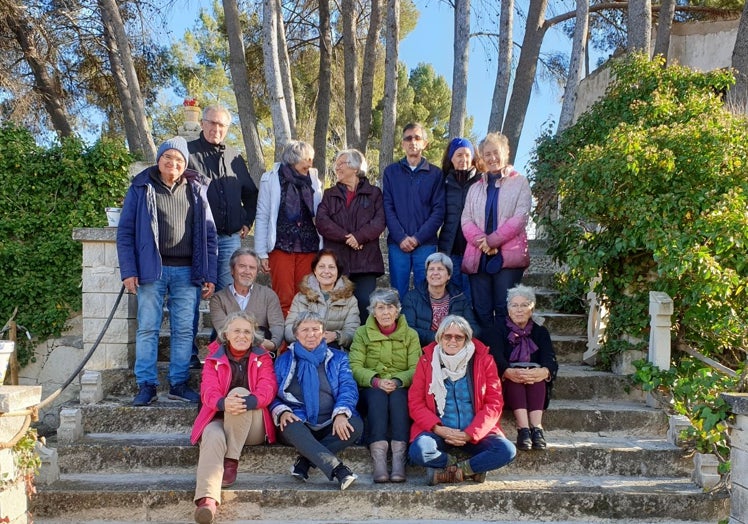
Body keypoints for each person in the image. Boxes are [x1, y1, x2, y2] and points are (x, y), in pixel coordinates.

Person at [117, 136, 217, 406]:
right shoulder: (141, 187)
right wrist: (128, 270)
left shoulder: (196, 189)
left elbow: (209, 234)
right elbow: (125, 233)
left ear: (185, 164)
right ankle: (146, 385)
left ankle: (178, 383)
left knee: (185, 330)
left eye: (179, 159)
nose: (173, 163)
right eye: (168, 158)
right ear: (159, 160)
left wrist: (209, 275)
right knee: (148, 328)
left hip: (187, 272)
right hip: (152, 271)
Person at [188, 105, 259, 368]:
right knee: (192, 296)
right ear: (203, 124)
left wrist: (246, 220)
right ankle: (189, 356)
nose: (216, 129)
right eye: (212, 123)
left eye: (222, 126)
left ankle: (220, 346)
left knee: (227, 296)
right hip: (196, 240)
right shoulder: (187, 153)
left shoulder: (234, 157)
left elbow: (250, 193)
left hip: (229, 237)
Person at [408, 315, 517, 485]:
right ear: (439, 338)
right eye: (447, 336)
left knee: (506, 450)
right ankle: (470, 470)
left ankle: (459, 470)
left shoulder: (484, 361)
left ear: (467, 339)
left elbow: (494, 403)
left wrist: (469, 434)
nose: (453, 340)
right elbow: (416, 403)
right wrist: (439, 429)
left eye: (459, 337)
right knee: (419, 452)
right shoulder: (426, 362)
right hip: (438, 431)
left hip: (475, 432)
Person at [190, 312, 277, 524]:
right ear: (226, 334)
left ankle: (231, 460)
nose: (242, 335)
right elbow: (208, 390)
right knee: (210, 433)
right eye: (236, 330)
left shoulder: (263, 357)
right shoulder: (213, 359)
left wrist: (243, 402)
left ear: (253, 335)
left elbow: (268, 387)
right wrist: (222, 404)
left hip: (253, 426)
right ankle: (207, 501)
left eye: (247, 331)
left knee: (239, 392)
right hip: (220, 418)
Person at [271, 312, 363, 490]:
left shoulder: (338, 358)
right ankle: (338, 469)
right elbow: (271, 393)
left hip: (330, 421)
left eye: (316, 329)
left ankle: (305, 461)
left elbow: (348, 387)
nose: (311, 334)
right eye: (305, 329)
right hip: (299, 423)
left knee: (355, 425)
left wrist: (342, 413)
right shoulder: (284, 360)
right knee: (290, 424)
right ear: (296, 334)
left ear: (323, 333)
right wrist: (282, 410)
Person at [461, 132, 531, 333]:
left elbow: (520, 218)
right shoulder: (475, 188)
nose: (492, 158)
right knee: (481, 310)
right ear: (482, 157)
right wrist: (481, 241)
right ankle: (487, 359)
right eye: (487, 154)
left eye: (496, 152)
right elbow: (466, 219)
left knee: (505, 309)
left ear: (506, 153)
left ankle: (505, 357)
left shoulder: (520, 183)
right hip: (478, 256)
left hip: (508, 258)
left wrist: (492, 241)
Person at [348, 288, 421, 483]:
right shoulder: (362, 333)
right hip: (371, 387)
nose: (386, 312)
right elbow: (354, 366)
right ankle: (379, 460)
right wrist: (376, 380)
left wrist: (398, 381)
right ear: (373, 311)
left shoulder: (411, 335)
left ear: (398, 310)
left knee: (398, 397)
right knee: (378, 396)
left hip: (401, 387)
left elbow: (417, 368)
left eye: (390, 307)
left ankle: (399, 460)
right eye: (380, 308)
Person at [316, 149, 386, 324]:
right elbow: (322, 221)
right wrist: (348, 237)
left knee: (365, 304)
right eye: (336, 165)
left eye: (341, 164)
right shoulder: (329, 194)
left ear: (355, 168)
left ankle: (362, 344)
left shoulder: (374, 193)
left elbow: (379, 221)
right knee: (337, 306)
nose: (337, 168)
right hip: (337, 262)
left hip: (366, 262)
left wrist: (359, 237)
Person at [255, 140, 323, 315]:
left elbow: (319, 211)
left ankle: (304, 341)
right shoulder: (271, 179)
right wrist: (261, 253)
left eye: (311, 158)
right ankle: (284, 342)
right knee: (283, 297)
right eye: (307, 158)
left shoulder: (313, 180)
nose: (310, 163)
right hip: (281, 246)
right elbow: (262, 215)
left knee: (306, 297)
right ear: (293, 159)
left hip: (308, 246)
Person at [488, 285, 558, 451]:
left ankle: (537, 427)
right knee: (516, 379)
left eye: (524, 305)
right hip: (508, 380)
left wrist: (544, 371)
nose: (519, 310)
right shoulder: (497, 330)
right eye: (514, 305)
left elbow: (550, 358)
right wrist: (507, 371)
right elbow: (496, 356)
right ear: (508, 309)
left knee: (537, 379)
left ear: (532, 308)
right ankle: (523, 429)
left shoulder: (540, 332)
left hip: (535, 381)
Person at [382, 123, 445, 300]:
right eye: (408, 138)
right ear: (402, 143)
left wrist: (417, 238)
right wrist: (401, 237)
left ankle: (422, 328)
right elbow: (387, 206)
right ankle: (400, 327)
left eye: (417, 138)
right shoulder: (391, 172)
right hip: (397, 244)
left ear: (425, 143)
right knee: (398, 294)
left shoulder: (435, 174)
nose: (412, 142)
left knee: (425, 292)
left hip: (425, 244)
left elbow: (438, 211)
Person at [209, 248, 284, 356]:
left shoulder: (269, 295)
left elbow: (277, 325)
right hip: (230, 353)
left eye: (252, 268)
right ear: (232, 270)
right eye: (242, 266)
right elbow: (223, 330)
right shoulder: (218, 298)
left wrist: (273, 344)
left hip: (260, 352)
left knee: (263, 331)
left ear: (257, 272)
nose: (247, 271)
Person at [284, 250, 360, 350]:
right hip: (304, 349)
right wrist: (308, 336)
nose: (326, 271)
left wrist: (336, 336)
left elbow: (353, 333)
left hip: (334, 351)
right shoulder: (301, 297)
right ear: (315, 270)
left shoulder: (350, 300)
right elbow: (288, 331)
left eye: (331, 267)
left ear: (338, 272)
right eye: (321, 266)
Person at [402, 252, 478, 347]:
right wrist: (439, 337)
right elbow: (408, 329)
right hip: (422, 348)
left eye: (440, 269)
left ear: (449, 275)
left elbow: (474, 328)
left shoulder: (459, 297)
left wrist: (454, 337)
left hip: (454, 347)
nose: (435, 273)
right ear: (426, 274)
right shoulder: (411, 298)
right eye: (431, 269)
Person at [437, 137, 480, 303]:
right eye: (459, 155)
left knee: (472, 297)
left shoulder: (480, 181)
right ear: (451, 158)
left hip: (474, 249)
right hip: (450, 248)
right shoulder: (444, 181)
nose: (463, 159)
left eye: (467, 155)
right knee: (453, 296)